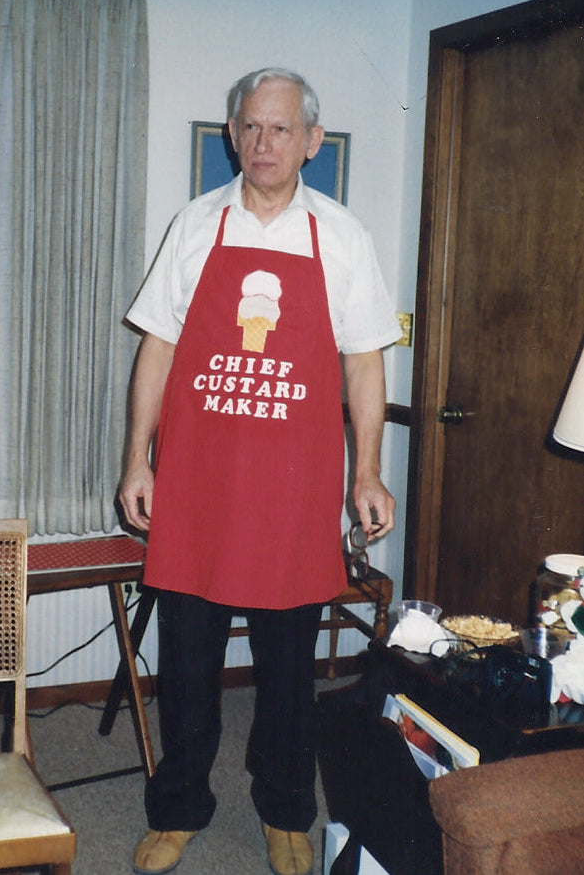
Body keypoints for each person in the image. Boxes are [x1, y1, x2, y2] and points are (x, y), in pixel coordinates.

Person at [119, 68, 400, 875]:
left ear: (311, 140)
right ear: (231, 134)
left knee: (285, 667)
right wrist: (137, 457)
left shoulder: (341, 236)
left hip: (294, 490)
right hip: (197, 486)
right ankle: (177, 807)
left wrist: (367, 473)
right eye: (248, 127)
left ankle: (284, 810)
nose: (262, 143)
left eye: (280, 129)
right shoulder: (196, 224)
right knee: (187, 665)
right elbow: (158, 348)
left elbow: (363, 363)